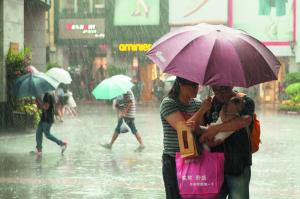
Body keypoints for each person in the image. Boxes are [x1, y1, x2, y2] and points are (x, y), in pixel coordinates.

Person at [160, 77, 212, 199]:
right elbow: (183, 129)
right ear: (181, 85)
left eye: (197, 85)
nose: (196, 88)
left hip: (195, 157)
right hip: (174, 159)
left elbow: (201, 131)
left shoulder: (198, 103)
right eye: (192, 85)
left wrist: (202, 117)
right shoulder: (168, 103)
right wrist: (202, 110)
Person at [200, 86, 255, 199]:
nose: (220, 93)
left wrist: (217, 128)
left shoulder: (244, 101)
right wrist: (202, 111)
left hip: (238, 165)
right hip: (214, 167)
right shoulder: (209, 104)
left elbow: (245, 120)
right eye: (216, 89)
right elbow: (203, 129)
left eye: (223, 89)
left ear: (231, 85)